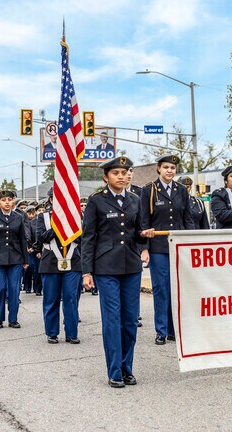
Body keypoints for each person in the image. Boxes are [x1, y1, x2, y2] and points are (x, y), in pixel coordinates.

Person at [81, 156, 155, 388]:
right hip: (106, 267)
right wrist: (87, 271)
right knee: (112, 320)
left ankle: (127, 368)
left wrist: (144, 237)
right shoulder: (96, 201)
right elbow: (88, 238)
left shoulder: (135, 199)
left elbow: (136, 232)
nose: (121, 177)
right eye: (116, 173)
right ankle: (114, 371)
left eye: (125, 173)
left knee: (130, 320)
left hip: (131, 265)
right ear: (106, 177)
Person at [140, 155, 194, 345]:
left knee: (177, 289)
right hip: (158, 247)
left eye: (172, 168)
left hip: (178, 246)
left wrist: (191, 242)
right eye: (166, 167)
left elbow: (188, 219)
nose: (170, 171)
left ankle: (174, 330)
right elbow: (144, 221)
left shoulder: (181, 191)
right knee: (161, 288)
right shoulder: (149, 190)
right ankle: (161, 331)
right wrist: (144, 248)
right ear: (158, 169)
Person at [34, 188, 82, 343]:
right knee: (51, 298)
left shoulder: (76, 216)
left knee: (70, 297)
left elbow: (83, 239)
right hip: (50, 261)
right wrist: (58, 225)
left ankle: (72, 333)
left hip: (72, 261)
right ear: (51, 201)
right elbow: (41, 238)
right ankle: (52, 332)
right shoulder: (43, 217)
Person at [0, 190, 29, 329]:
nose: (7, 202)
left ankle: (13, 319)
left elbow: (23, 239)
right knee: (0, 289)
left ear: (13, 201)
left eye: (9, 199)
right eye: (4, 200)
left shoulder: (18, 217)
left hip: (15, 258)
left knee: (14, 290)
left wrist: (25, 259)